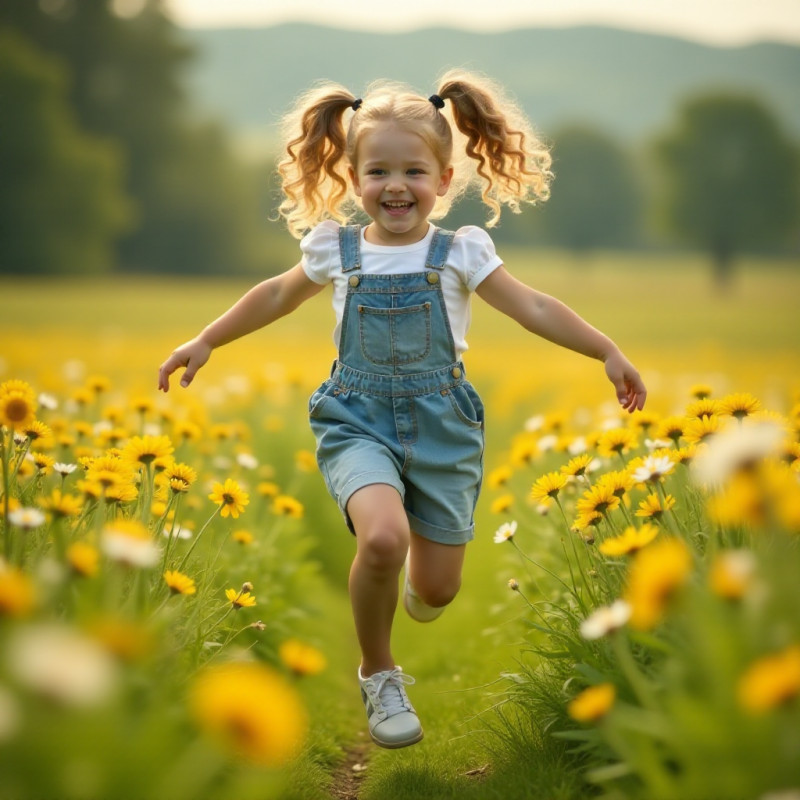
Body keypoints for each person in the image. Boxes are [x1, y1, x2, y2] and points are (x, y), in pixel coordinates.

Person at [158, 70, 646, 750]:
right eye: (378, 169)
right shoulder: (338, 250)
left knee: (438, 591)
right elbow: (274, 295)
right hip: (356, 421)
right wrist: (206, 338)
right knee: (382, 539)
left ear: (444, 181)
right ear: (353, 176)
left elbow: (534, 306)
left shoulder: (460, 253)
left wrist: (605, 350)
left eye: (413, 170)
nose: (395, 185)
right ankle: (377, 671)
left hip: (444, 429)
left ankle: (420, 590)